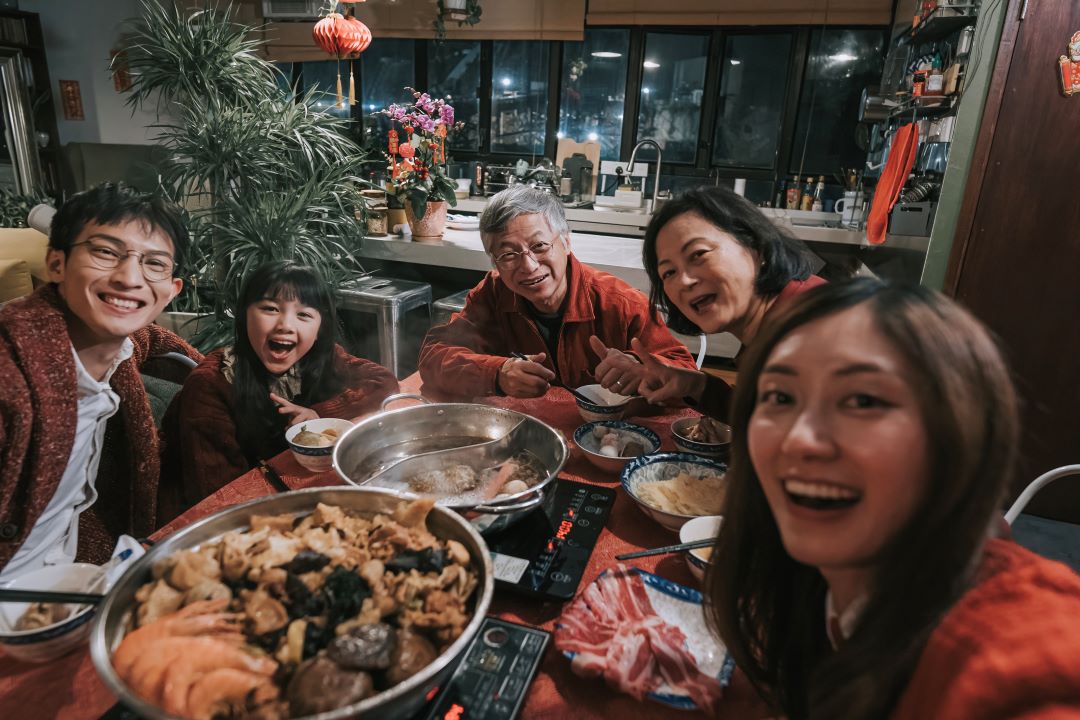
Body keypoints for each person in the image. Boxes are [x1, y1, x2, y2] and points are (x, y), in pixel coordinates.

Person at [706, 279, 1080, 719]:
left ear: (956, 435)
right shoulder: (813, 591)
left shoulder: (1009, 646)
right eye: (780, 397)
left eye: (863, 400)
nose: (800, 440)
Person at [0, 182, 200, 576]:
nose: (129, 278)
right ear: (56, 263)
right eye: (106, 252)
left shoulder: (116, 344)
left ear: (172, 290)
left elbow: (151, 338)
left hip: (69, 577)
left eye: (154, 263)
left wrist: (215, 371)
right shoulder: (10, 372)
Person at [418, 185, 696, 400]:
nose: (528, 266)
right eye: (507, 254)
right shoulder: (492, 293)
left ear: (566, 242)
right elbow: (433, 358)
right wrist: (497, 374)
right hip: (528, 436)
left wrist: (642, 368)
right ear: (495, 262)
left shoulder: (619, 302)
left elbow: (688, 379)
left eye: (539, 246)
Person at [172, 261, 398, 504]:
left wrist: (319, 414)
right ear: (244, 314)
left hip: (296, 490)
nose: (286, 326)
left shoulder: (319, 357)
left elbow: (383, 383)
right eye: (270, 309)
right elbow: (219, 499)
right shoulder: (211, 385)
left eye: (303, 314)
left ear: (320, 327)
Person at [595, 185, 823, 418]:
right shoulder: (770, 329)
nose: (685, 280)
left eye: (698, 254)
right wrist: (694, 385)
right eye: (669, 272)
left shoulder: (815, 329)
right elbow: (762, 414)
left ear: (757, 247)